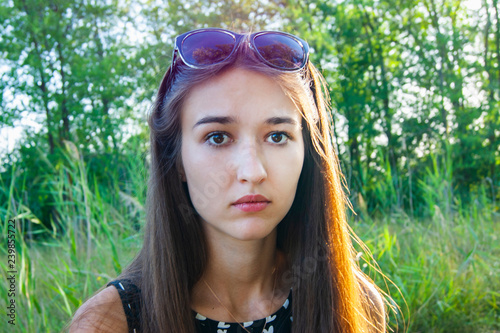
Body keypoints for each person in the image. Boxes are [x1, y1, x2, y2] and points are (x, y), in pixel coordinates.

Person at [69, 28, 386, 333]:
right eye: (218, 137)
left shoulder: (356, 305)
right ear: (176, 159)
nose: (252, 171)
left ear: (308, 152)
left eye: (277, 136)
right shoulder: (111, 323)